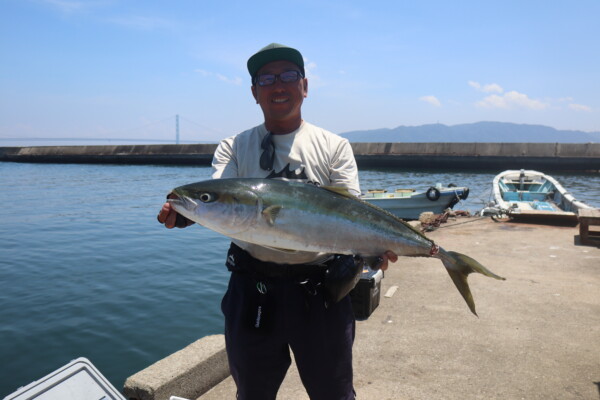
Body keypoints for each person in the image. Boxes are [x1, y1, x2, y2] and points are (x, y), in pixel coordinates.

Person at [157, 43, 397, 400]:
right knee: (252, 393)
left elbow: (350, 212)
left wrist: (372, 248)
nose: (278, 85)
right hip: (252, 289)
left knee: (334, 393)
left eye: (288, 75)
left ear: (304, 85)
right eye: (266, 78)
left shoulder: (333, 146)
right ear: (254, 92)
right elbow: (221, 197)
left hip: (321, 292)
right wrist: (188, 216)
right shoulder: (235, 146)